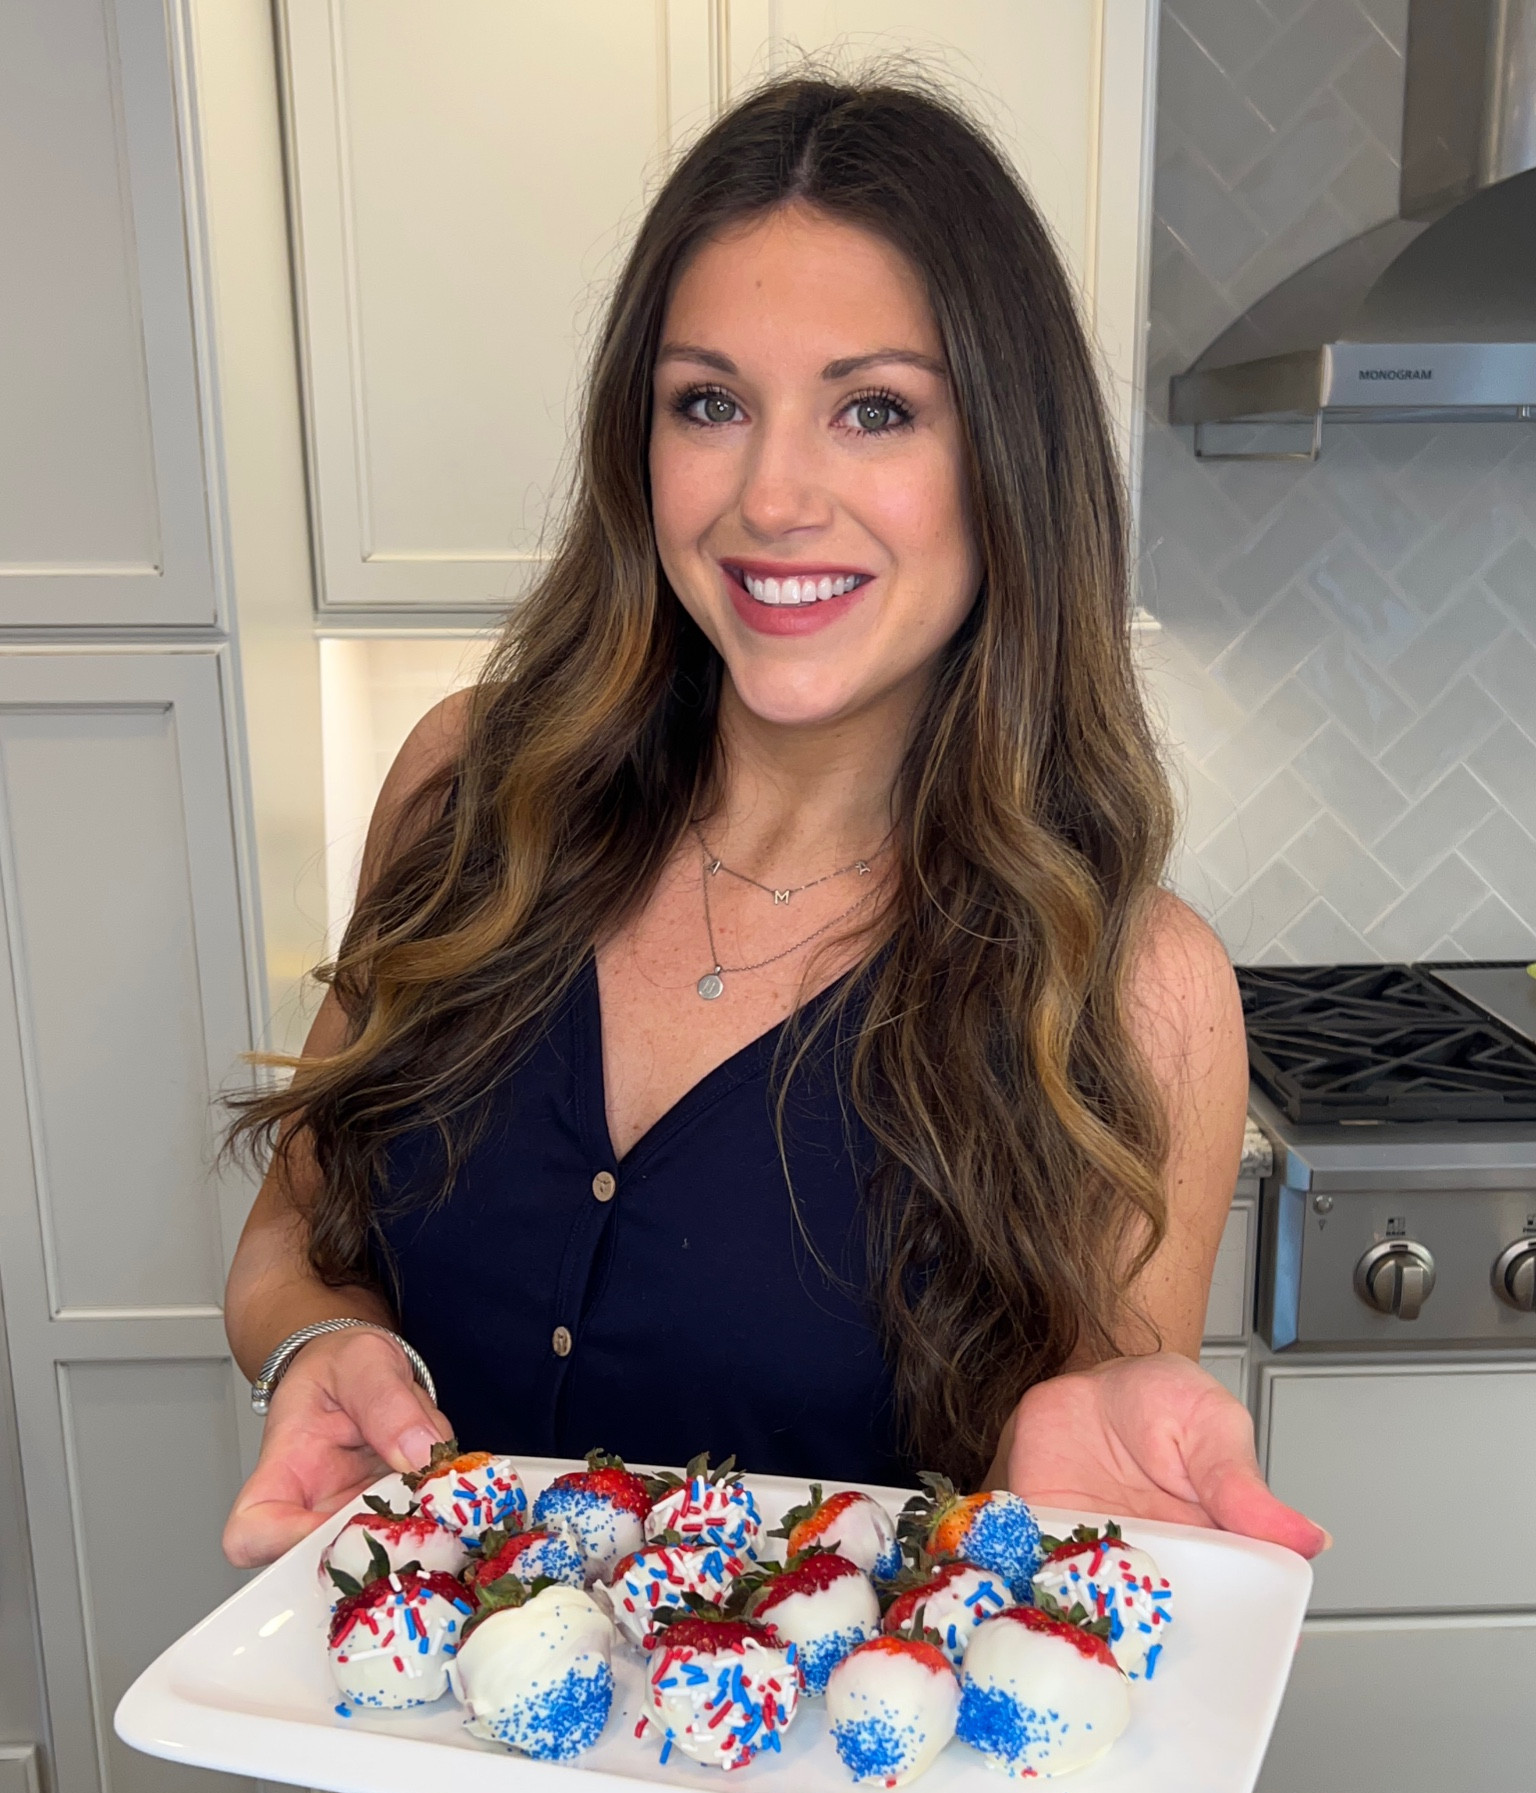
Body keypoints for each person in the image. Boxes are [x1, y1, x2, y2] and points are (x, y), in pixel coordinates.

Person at [221, 74, 1327, 1571]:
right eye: (710, 403)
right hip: (418, 1764)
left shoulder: (1137, 994)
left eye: (876, 408)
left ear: (1009, 459)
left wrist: (1060, 1490)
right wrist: (318, 1354)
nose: (772, 495)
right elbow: (300, 1237)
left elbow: (1083, 1486)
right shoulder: (463, 793)